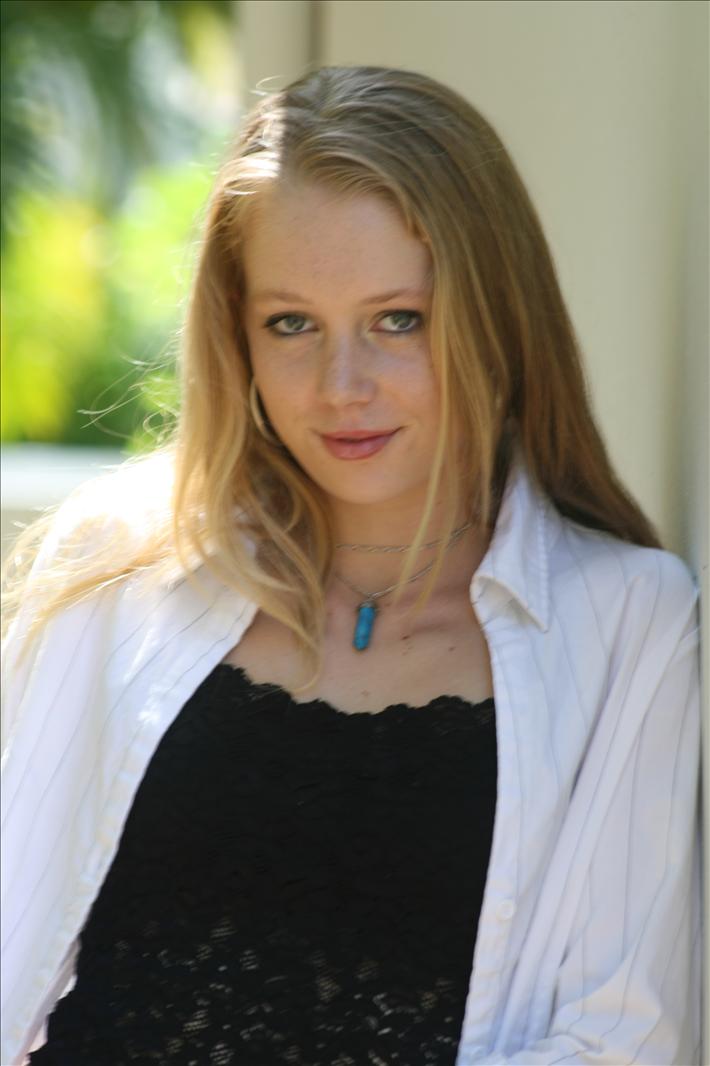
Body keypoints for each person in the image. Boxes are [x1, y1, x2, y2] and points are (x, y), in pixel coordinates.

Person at [1, 65, 701, 1066]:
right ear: (237, 336)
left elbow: (615, 1038)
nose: (342, 386)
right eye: (291, 324)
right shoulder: (111, 567)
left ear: (496, 318)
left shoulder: (630, 624)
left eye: (397, 320)